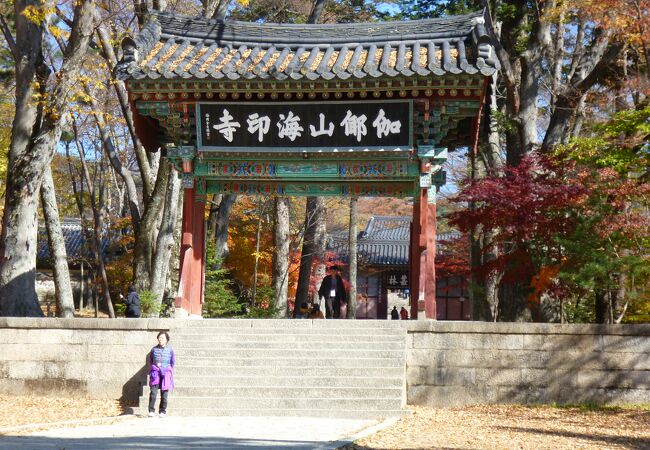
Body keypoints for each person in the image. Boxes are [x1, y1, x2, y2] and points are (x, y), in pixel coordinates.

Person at [148, 331, 175, 417]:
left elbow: (172, 362)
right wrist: (155, 367)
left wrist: (167, 369)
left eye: (162, 338)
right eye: (159, 337)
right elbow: (151, 360)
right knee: (153, 393)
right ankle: (151, 410)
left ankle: (162, 411)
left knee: (164, 394)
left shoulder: (170, 350)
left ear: (167, 340)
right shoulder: (154, 349)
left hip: (166, 373)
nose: (160, 339)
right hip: (155, 372)